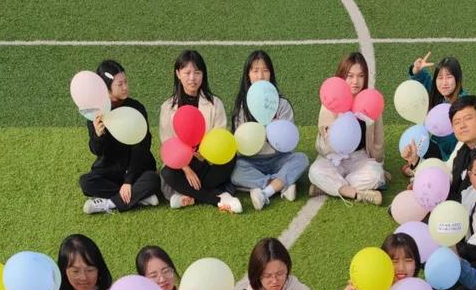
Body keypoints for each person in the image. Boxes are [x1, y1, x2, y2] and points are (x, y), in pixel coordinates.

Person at [158, 49, 242, 213]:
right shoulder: (168, 107)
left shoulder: (214, 103)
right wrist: (186, 168)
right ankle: (215, 198)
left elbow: (219, 137)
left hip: (207, 163)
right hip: (182, 166)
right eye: (187, 72)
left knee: (231, 157)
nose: (192, 78)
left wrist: (204, 154)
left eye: (197, 72)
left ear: (203, 75)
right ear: (178, 74)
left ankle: (188, 195)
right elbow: (167, 143)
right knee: (167, 173)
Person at [229, 49, 309, 210]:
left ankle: (264, 190)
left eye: (265, 70)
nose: (260, 76)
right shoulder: (242, 107)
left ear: (271, 74)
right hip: (251, 161)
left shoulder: (282, 104)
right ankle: (280, 185)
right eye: (255, 71)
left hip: (279, 158)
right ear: (248, 75)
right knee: (234, 170)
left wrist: (275, 130)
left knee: (301, 159)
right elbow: (240, 146)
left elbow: (289, 143)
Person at [79, 59, 159, 215]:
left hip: (137, 168)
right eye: (120, 84)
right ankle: (140, 197)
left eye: (126, 82)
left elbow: (142, 147)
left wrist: (129, 180)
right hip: (111, 169)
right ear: (106, 88)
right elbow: (96, 150)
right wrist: (98, 135)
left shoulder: (136, 108)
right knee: (86, 182)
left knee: (153, 179)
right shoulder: (96, 113)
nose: (125, 87)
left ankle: (110, 203)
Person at [308, 52, 385, 204]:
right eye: (350, 76)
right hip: (334, 157)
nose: (355, 81)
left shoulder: (370, 101)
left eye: (360, 76)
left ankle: (328, 187)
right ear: (342, 76)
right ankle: (356, 194)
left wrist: (379, 163)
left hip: (360, 157)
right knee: (315, 171)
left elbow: (378, 140)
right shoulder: (331, 101)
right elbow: (323, 145)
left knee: (376, 175)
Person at [401, 51, 465, 172]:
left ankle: (422, 168)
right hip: (438, 147)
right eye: (440, 77)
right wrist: (416, 69)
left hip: (456, 156)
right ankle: (419, 164)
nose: (444, 82)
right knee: (414, 139)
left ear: (457, 79)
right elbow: (424, 79)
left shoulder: (464, 103)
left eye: (449, 77)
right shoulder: (438, 94)